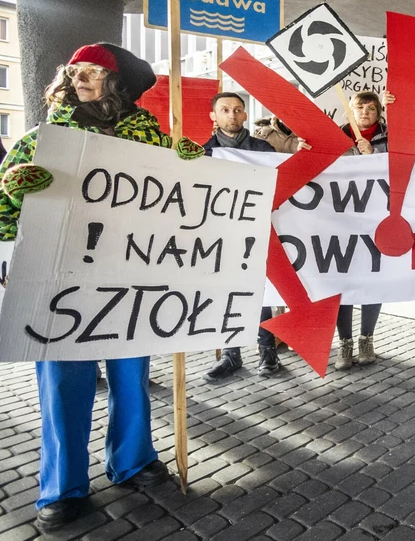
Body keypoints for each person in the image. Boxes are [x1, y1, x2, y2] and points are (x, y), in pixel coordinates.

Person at [0, 43, 205, 530]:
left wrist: (196, 168)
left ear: (118, 84)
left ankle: (133, 461)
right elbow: (4, 215)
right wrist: (12, 193)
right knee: (62, 383)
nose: (80, 79)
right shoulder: (42, 137)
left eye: (92, 72)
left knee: (131, 374)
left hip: (130, 273)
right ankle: (62, 487)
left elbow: (182, 204)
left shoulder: (151, 136)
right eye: (75, 72)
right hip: (60, 276)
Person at [202, 92, 282, 380]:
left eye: (238, 110)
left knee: (259, 292)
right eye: (225, 110)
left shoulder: (262, 148)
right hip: (220, 233)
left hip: (257, 230)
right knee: (225, 292)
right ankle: (230, 354)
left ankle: (267, 352)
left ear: (245, 115)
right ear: (214, 116)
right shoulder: (202, 152)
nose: (232, 115)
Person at [335, 90, 392, 369]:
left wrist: (376, 155)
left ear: (378, 111)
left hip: (376, 219)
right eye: (360, 107)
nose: (365, 112)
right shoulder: (334, 136)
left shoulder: (389, 136)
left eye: (371, 107)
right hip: (340, 219)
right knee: (342, 281)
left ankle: (366, 338)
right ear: (351, 112)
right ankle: (344, 343)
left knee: (373, 278)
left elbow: (404, 165)